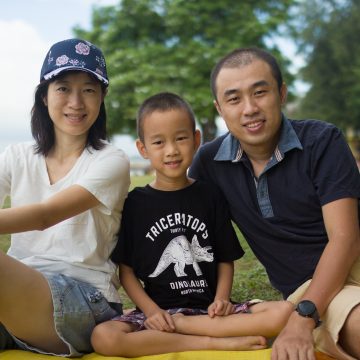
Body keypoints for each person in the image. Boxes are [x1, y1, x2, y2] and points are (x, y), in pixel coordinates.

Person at [188, 47, 360, 360]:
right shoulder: (210, 163)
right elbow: (176, 219)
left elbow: (345, 238)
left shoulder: (322, 141)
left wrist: (301, 319)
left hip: (350, 265)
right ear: (219, 108)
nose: (250, 108)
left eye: (260, 92)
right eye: (234, 98)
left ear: (281, 94)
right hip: (314, 291)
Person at [90, 92, 293, 357]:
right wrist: (151, 312)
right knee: (103, 337)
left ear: (196, 140)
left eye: (181, 138)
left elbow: (224, 259)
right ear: (143, 149)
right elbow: (126, 272)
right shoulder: (135, 203)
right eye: (159, 142)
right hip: (161, 313)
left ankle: (185, 328)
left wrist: (222, 299)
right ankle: (211, 343)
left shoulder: (210, 195)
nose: (172, 150)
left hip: (211, 313)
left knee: (283, 311)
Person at [0, 38, 130, 356]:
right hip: (17, 301)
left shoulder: (110, 160)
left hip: (86, 301)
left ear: (101, 98)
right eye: (63, 88)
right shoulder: (16, 155)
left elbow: (46, 215)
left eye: (88, 89)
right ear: (44, 95)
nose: (76, 102)